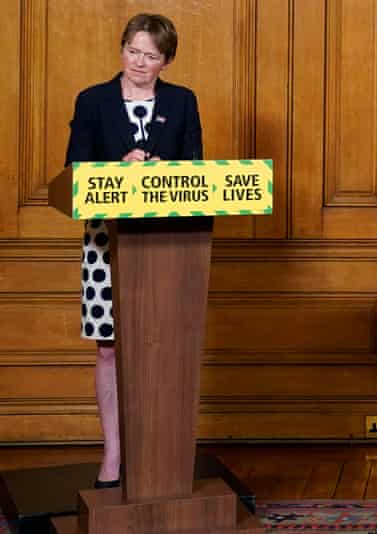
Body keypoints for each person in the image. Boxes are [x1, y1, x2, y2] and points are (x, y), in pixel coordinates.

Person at [65, 13, 202, 488]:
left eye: (151, 56)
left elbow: (198, 175)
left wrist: (165, 172)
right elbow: (75, 171)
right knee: (109, 350)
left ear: (166, 62)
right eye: (133, 51)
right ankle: (114, 454)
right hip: (107, 241)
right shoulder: (93, 101)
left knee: (165, 349)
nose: (139, 63)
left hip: (169, 246)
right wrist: (115, 166)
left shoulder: (183, 103)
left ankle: (160, 453)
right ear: (121, 47)